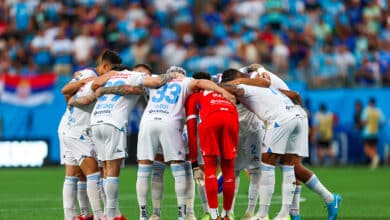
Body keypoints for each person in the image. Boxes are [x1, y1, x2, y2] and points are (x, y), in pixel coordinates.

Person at [238, 64, 341, 220]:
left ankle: (307, 207)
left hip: (286, 116)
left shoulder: (255, 80)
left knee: (290, 165)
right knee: (291, 166)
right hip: (291, 115)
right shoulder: (253, 75)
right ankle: (297, 212)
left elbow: (292, 94)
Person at [136, 67, 235, 220]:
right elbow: (203, 81)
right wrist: (223, 91)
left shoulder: (157, 79)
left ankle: (148, 214)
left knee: (148, 168)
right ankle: (186, 214)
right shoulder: (186, 82)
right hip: (173, 125)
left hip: (148, 122)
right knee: (184, 168)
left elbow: (135, 83)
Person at [90, 65, 179, 220]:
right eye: (145, 75)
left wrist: (104, 90)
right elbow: (155, 82)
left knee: (104, 168)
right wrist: (171, 75)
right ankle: (110, 215)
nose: (146, 78)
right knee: (112, 169)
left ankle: (109, 213)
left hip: (96, 120)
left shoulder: (114, 76)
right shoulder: (136, 78)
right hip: (114, 123)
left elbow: (94, 85)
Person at [220, 68, 307, 220]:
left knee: (266, 165)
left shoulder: (244, 87)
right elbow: (295, 95)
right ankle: (285, 214)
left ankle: (261, 215)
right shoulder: (265, 86)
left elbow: (237, 88)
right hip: (298, 116)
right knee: (287, 166)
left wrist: (211, 85)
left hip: (278, 120)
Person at [59, 49, 122, 220]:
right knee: (93, 173)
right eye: (112, 70)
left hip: (73, 128)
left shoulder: (103, 80)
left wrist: (73, 100)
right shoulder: (88, 74)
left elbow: (70, 98)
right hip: (76, 129)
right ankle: (100, 216)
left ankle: (72, 216)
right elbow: (65, 90)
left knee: (73, 175)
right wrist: (84, 82)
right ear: (104, 66)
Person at [186, 71, 239, 220]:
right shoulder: (224, 91)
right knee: (228, 170)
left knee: (210, 168)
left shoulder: (195, 95)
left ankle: (214, 215)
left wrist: (194, 163)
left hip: (210, 121)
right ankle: (227, 215)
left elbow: (191, 128)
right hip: (231, 118)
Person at [361, 97, 385, 169]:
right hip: (375, 132)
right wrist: (377, 126)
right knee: (373, 148)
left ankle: (375, 157)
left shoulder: (366, 110)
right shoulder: (378, 111)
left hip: (367, 132)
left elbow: (363, 121)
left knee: (366, 149)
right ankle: (374, 164)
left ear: (369, 103)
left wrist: (362, 125)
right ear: (374, 103)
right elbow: (382, 122)